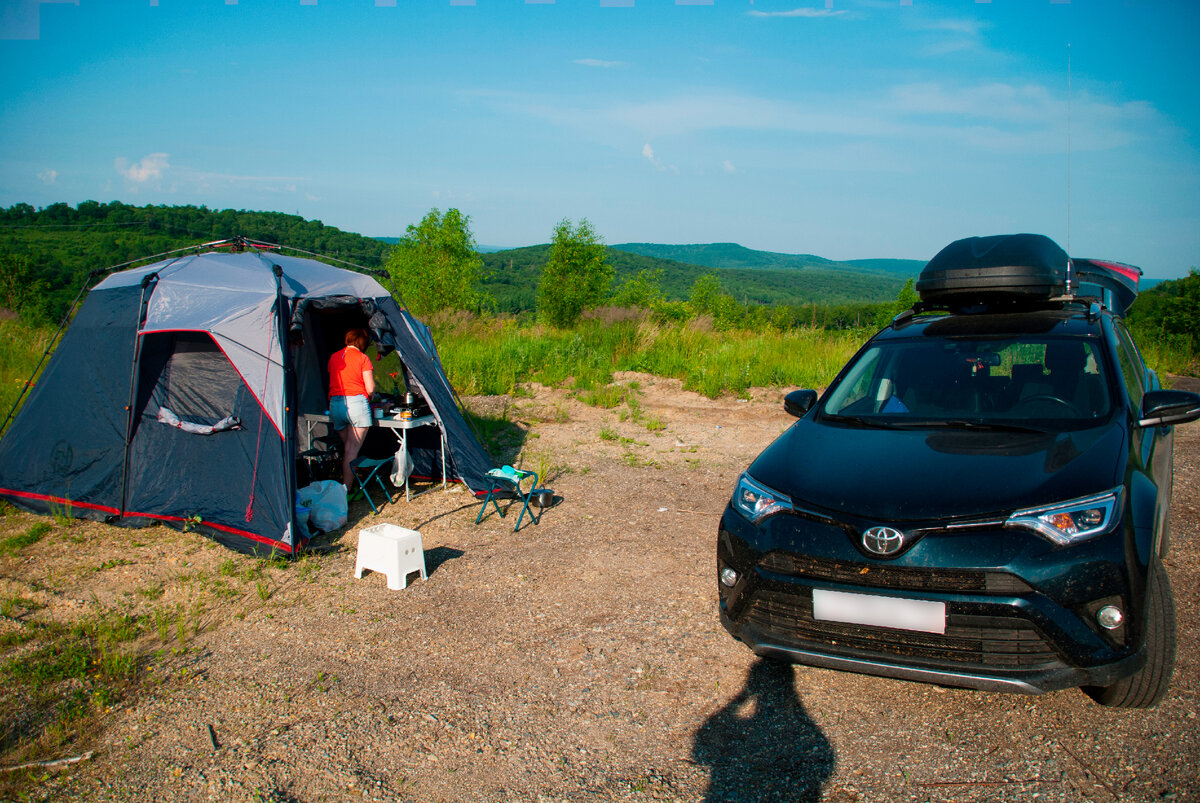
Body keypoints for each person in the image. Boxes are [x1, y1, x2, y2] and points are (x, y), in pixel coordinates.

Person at [328, 328, 376, 488]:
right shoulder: (363, 358)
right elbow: (370, 389)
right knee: (351, 451)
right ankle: (346, 490)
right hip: (356, 404)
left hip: (336, 405)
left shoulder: (334, 357)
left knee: (348, 448)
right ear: (361, 341)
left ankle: (353, 482)